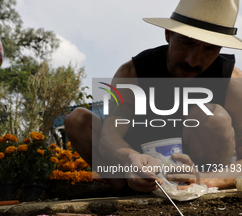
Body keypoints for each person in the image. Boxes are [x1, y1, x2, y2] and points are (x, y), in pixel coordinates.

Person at [65, 0, 242, 195]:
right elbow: (110, 136)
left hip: (197, 174)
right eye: (186, 42)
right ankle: (127, 192)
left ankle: (199, 191)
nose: (193, 60)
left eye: (210, 48)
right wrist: (129, 159)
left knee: (213, 116)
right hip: (139, 166)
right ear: (168, 34)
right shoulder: (132, 74)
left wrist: (204, 178)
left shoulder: (233, 82)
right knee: (78, 119)